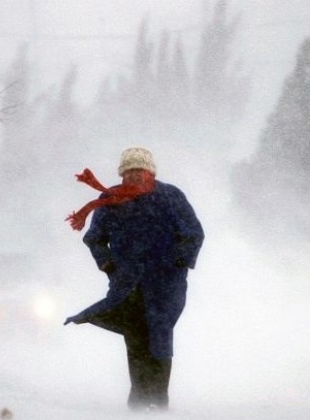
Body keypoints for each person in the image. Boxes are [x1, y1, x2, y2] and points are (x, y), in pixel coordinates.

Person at [64, 146, 204, 412]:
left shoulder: (170, 197)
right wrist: (108, 265)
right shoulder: (111, 199)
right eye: (129, 171)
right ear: (122, 174)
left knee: (160, 334)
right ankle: (139, 400)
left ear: (150, 172)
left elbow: (194, 234)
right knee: (136, 338)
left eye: (139, 170)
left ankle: (159, 400)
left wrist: (179, 262)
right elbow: (94, 238)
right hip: (127, 285)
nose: (134, 176)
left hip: (166, 285)